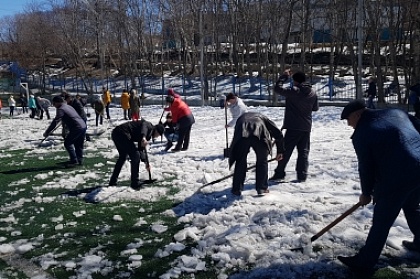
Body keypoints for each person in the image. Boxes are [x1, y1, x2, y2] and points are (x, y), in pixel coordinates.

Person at [337, 99, 420, 277]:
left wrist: (366, 193)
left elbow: (366, 168)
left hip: (399, 176)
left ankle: (364, 262)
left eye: (348, 120)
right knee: (412, 207)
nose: (349, 124)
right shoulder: (395, 113)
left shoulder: (363, 134)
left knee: (382, 219)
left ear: (358, 114)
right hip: (417, 167)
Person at [270, 71, 319, 182]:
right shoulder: (313, 92)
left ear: (295, 81)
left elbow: (277, 89)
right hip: (306, 126)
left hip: (293, 126)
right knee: (303, 152)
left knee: (285, 151)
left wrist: (283, 77)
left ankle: (279, 173)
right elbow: (315, 108)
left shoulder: (295, 91)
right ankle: (302, 175)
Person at [229, 112, 284, 196]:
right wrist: (280, 151)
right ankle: (262, 188)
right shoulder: (263, 118)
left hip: (242, 136)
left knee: (240, 161)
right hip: (260, 136)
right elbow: (278, 133)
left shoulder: (241, 119)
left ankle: (237, 189)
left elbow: (236, 136)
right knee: (262, 161)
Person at [109, 120, 164, 189]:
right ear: (156, 131)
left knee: (123, 157)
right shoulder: (148, 126)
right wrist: (144, 137)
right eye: (158, 135)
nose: (157, 137)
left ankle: (113, 181)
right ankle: (135, 182)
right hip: (122, 133)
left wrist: (146, 162)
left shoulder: (148, 135)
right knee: (135, 156)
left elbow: (141, 148)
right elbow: (144, 127)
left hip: (116, 133)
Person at [43, 96, 87, 167]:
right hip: (83, 125)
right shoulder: (68, 106)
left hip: (76, 127)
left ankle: (74, 160)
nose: (54, 106)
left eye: (54, 104)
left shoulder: (61, 109)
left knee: (68, 143)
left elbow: (55, 121)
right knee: (78, 143)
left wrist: (47, 131)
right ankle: (79, 159)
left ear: (57, 102)